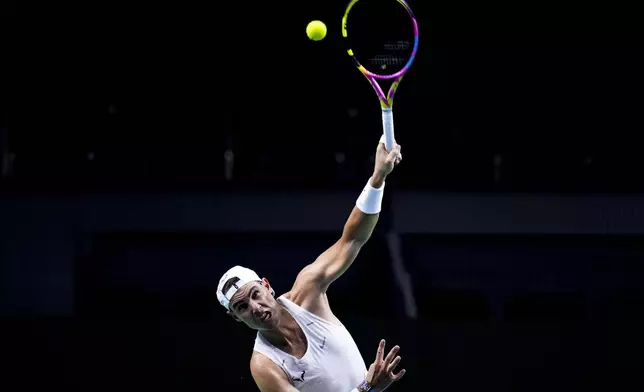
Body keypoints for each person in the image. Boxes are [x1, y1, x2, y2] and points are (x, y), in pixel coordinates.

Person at [217, 136, 405, 392]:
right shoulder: (264, 365)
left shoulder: (308, 291)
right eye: (242, 307)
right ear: (236, 318)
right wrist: (367, 389)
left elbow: (352, 238)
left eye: (255, 294)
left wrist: (378, 177)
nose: (255, 307)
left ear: (267, 286)